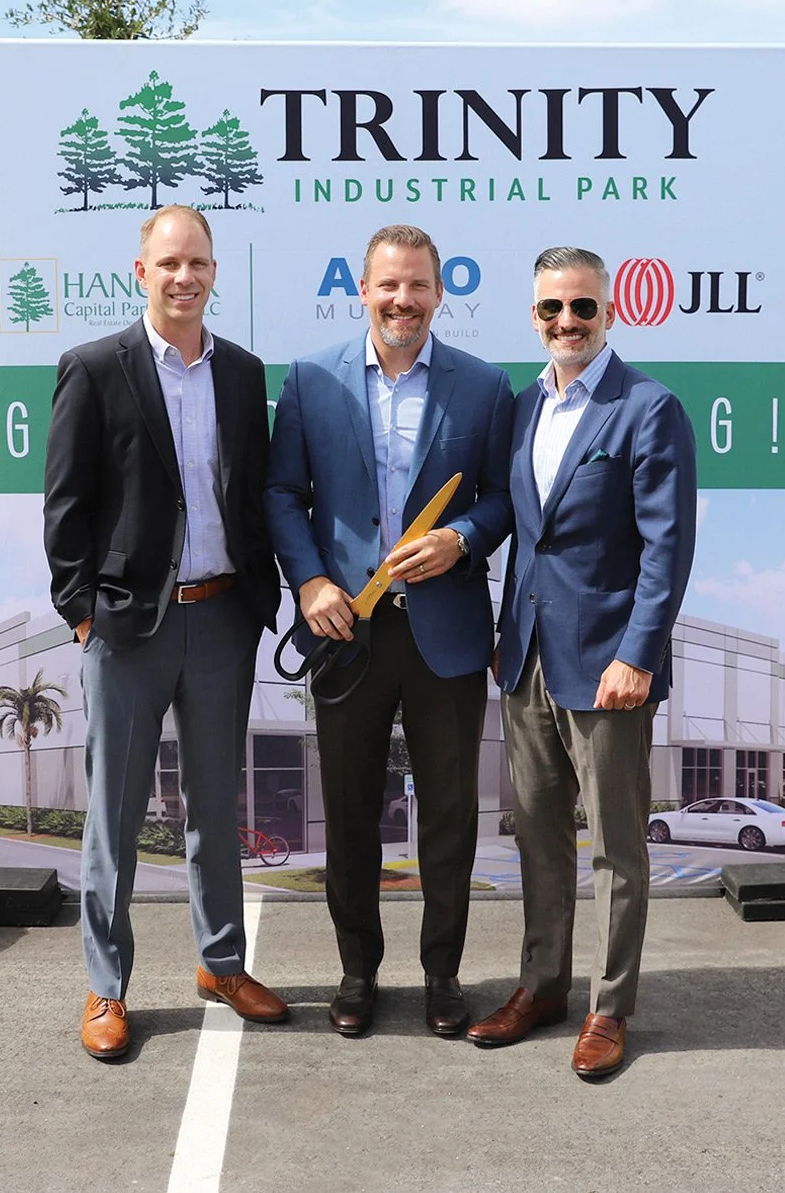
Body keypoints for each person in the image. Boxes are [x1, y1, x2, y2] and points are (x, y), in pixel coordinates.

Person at [43, 205, 289, 1061]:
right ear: (139, 271)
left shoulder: (245, 373)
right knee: (114, 815)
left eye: (200, 263)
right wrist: (83, 613)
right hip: (128, 627)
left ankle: (222, 963)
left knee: (215, 808)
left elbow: (251, 494)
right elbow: (66, 508)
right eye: (169, 263)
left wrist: (260, 598)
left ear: (216, 272)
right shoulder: (94, 368)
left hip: (222, 619)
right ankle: (107, 987)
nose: (185, 276)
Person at [265, 224, 515, 1038]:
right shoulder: (310, 381)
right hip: (349, 630)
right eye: (387, 286)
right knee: (349, 811)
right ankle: (357, 970)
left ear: (441, 294)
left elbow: (508, 500)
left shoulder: (484, 387)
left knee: (449, 814)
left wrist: (463, 538)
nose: (402, 300)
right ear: (361, 291)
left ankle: (442, 974)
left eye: (417, 286)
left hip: (444, 632)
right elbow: (281, 496)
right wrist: (308, 581)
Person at [466, 245, 696, 1079]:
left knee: (618, 851)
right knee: (536, 839)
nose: (566, 322)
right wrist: (502, 635)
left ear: (609, 312)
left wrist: (638, 654)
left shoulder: (648, 408)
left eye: (582, 308)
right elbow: (526, 534)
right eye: (550, 309)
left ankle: (609, 1007)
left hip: (608, 670)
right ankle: (541, 987)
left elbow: (667, 549)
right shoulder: (522, 406)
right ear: (533, 315)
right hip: (525, 661)